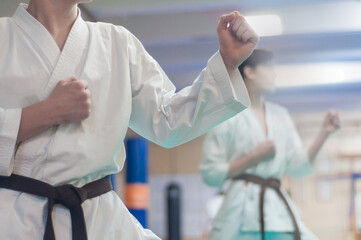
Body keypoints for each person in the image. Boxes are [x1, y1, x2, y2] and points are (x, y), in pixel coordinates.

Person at [0, 0, 259, 239]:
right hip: (16, 221)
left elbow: (167, 121)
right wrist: (47, 112)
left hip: (100, 221)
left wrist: (226, 62)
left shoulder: (117, 43)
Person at [200, 49, 341, 240]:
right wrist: (253, 158)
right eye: (268, 67)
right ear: (249, 72)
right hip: (239, 211)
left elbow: (298, 166)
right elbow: (211, 173)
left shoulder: (280, 116)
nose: (274, 74)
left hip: (276, 208)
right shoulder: (227, 116)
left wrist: (324, 134)